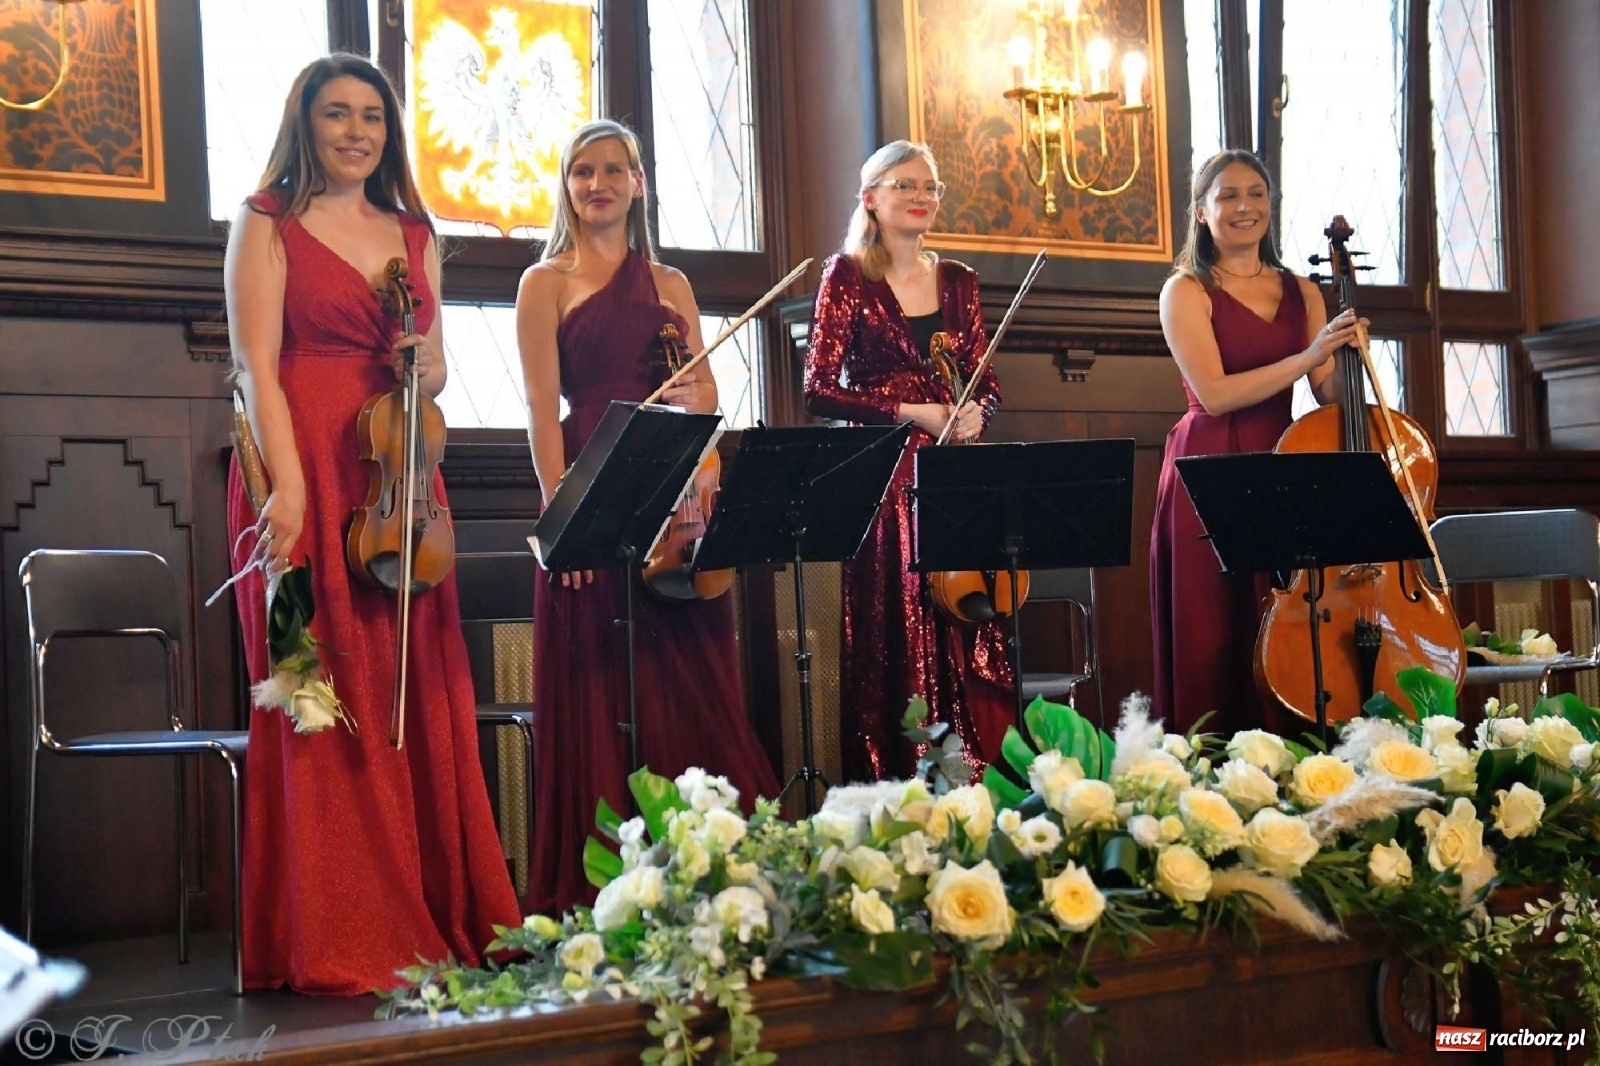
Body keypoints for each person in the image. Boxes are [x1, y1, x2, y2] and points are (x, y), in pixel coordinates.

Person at [224, 54, 521, 994]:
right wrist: (290, 488)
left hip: (400, 482)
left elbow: (433, 370)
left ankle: (428, 908)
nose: (356, 132)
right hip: (297, 469)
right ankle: (334, 931)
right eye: (336, 115)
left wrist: (419, 363)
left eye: (373, 119)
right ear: (304, 123)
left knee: (410, 692)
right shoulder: (263, 221)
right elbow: (254, 367)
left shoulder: (414, 231)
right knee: (313, 693)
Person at [515, 119, 779, 917]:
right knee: (601, 687)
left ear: (638, 183)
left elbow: (704, 395)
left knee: (689, 682)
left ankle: (704, 872)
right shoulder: (544, 282)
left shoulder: (672, 285)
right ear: (567, 186)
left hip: (675, 490)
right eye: (582, 172)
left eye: (614, 170)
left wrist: (703, 404)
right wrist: (569, 520)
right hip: (593, 472)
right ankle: (610, 884)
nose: (597, 184)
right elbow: (536, 407)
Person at [803, 140, 1013, 783]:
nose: (920, 197)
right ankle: (904, 777)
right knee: (898, 625)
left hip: (955, 475)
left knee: (967, 619)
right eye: (904, 185)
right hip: (887, 480)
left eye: (930, 187)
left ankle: (979, 773)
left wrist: (977, 412)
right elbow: (818, 387)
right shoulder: (847, 275)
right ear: (871, 198)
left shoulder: (959, 282)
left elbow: (987, 381)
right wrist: (909, 410)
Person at [1149, 148, 1365, 736]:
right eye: (1228, 196)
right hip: (1206, 468)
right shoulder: (1185, 290)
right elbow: (1214, 394)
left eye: (1256, 195)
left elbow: (1325, 395)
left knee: (1279, 623)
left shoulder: (1305, 292)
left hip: (1281, 462)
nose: (1244, 207)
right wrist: (1308, 354)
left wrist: (1353, 357)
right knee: (1211, 636)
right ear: (1201, 211)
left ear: (1271, 206)